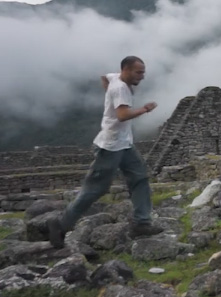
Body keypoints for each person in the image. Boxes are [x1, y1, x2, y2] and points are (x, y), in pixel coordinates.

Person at [47, 56, 163, 248]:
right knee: (96, 188)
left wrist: (108, 92)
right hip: (110, 146)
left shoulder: (115, 78)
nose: (142, 76)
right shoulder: (120, 89)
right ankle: (60, 225)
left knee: (140, 177)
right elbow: (123, 115)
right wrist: (145, 109)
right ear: (125, 70)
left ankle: (142, 223)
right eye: (138, 72)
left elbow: (104, 77)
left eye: (143, 72)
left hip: (124, 144)